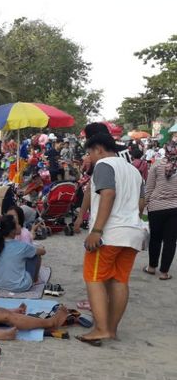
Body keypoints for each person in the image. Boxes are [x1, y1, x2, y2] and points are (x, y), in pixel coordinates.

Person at [78, 133, 145, 346]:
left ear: (99, 149)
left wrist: (97, 230)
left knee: (94, 277)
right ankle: (112, 329)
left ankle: (100, 328)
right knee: (119, 280)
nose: (90, 157)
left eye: (90, 152)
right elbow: (142, 202)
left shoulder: (104, 165)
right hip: (132, 232)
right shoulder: (133, 170)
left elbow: (108, 194)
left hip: (110, 234)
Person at [144, 136, 177, 280]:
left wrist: (145, 205)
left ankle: (151, 267)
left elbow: (149, 188)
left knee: (155, 238)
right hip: (175, 208)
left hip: (156, 207)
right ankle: (164, 273)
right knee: (170, 240)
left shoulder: (157, 165)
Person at [0, 215, 45, 292]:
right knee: (35, 255)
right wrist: (41, 248)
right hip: (19, 285)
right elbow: (42, 252)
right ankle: (35, 280)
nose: (20, 226)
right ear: (12, 230)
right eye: (18, 224)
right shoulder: (22, 246)